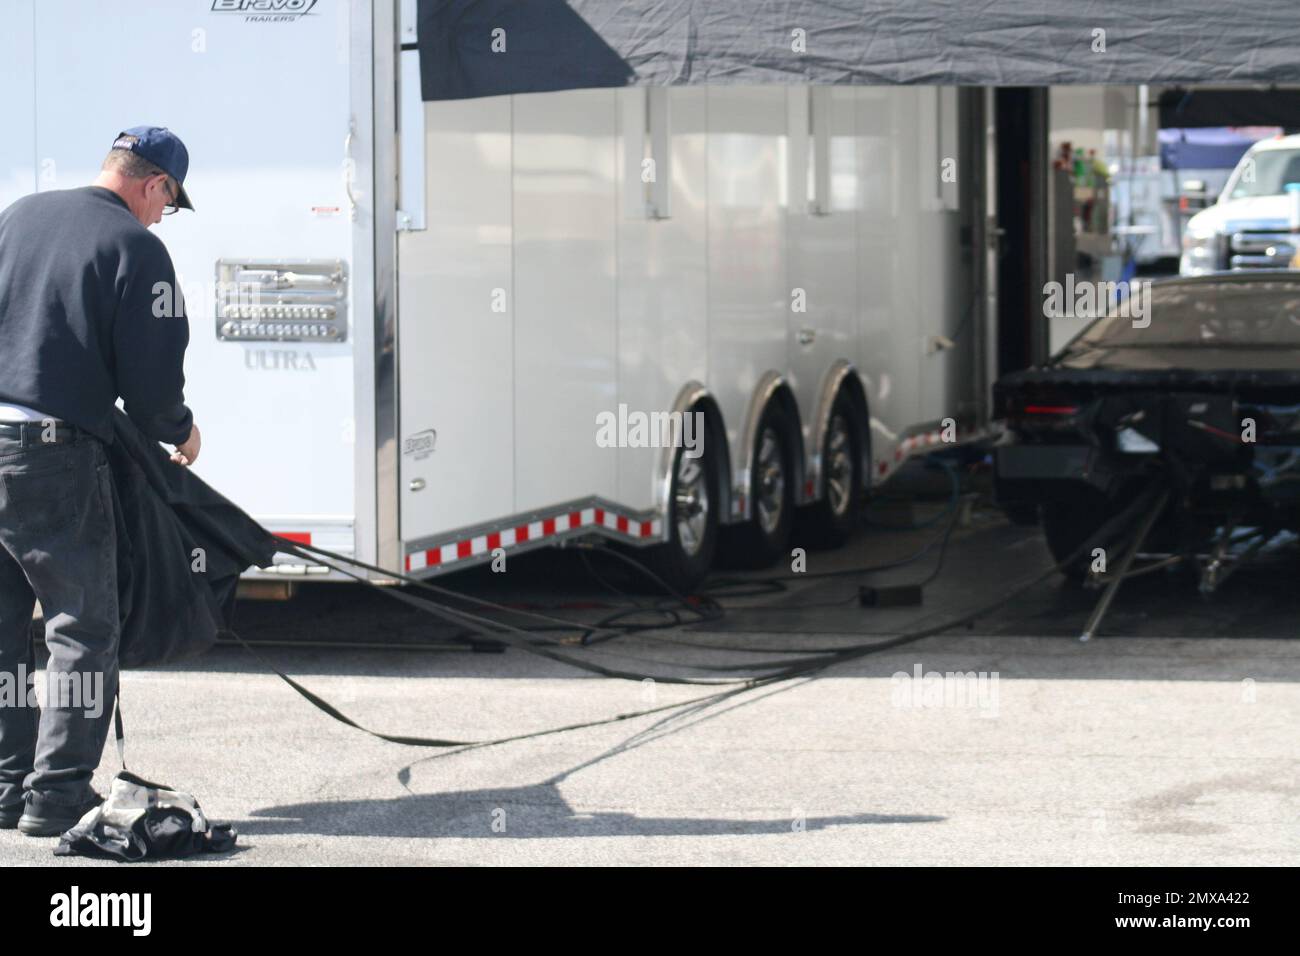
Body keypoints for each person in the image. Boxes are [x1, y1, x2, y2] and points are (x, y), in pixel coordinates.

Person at [0, 126, 200, 837]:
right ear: (155, 185)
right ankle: (55, 796)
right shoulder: (136, 247)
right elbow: (152, 374)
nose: (160, 217)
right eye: (167, 204)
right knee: (81, 625)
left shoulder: (20, 215)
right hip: (50, 454)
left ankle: (4, 786)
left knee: (2, 627)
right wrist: (178, 430)